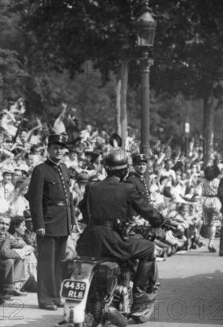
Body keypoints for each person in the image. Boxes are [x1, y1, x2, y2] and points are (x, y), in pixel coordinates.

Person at [76, 150, 165, 317]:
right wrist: (161, 221)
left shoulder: (92, 186)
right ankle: (138, 294)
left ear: (106, 169)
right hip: (113, 240)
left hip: (88, 240)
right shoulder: (127, 188)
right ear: (124, 171)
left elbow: (83, 209)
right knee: (148, 248)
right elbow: (147, 210)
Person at [26, 133, 76, 311]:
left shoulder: (63, 168)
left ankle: (56, 296)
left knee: (59, 263)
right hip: (47, 222)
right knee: (47, 262)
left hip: (63, 220)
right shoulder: (40, 170)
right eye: (55, 148)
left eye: (62, 148)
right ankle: (45, 299)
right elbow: (35, 199)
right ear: (48, 149)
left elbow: (68, 197)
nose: (59, 151)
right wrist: (38, 224)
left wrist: (72, 220)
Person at [125, 153, 152, 220]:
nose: (142, 167)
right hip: (137, 217)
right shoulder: (132, 180)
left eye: (144, 164)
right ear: (134, 166)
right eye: (139, 164)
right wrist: (133, 217)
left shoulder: (141, 179)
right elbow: (130, 201)